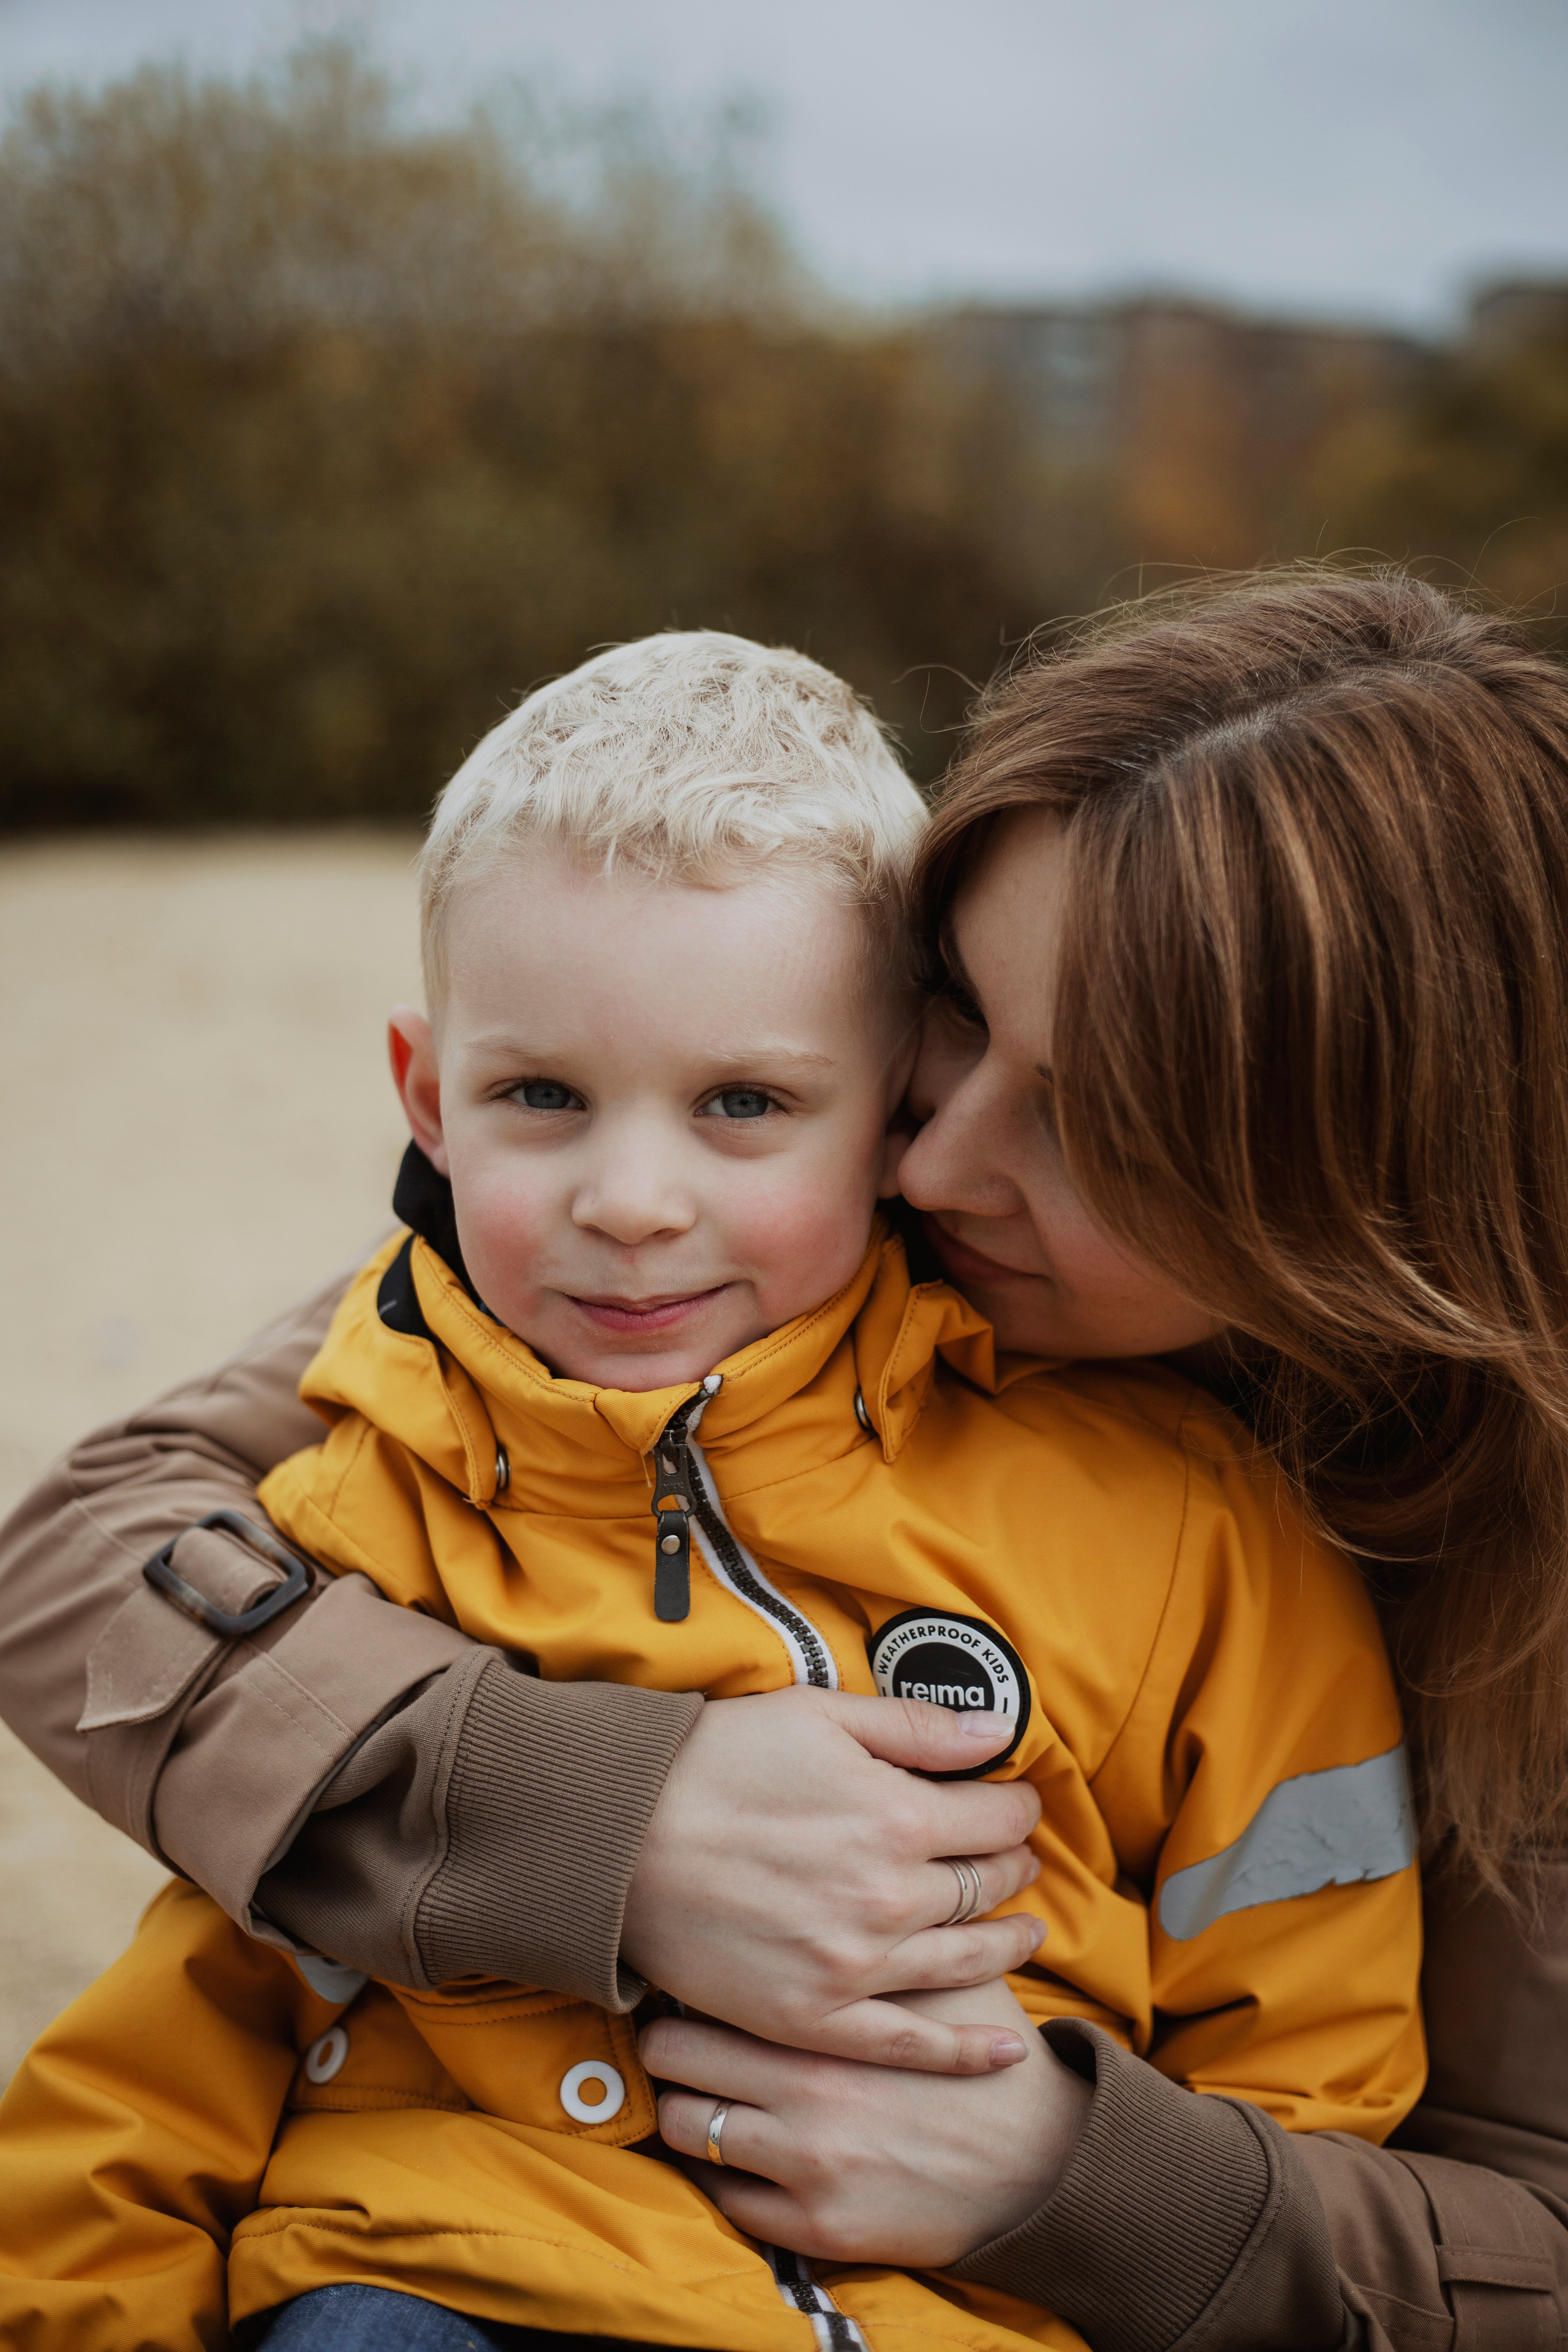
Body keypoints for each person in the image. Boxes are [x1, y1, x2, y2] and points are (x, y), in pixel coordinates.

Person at [4, 569, 1567, 2351]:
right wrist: (606, 1819)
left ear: (1372, 1195)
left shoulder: (1235, 1550)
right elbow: (90, 1549)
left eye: (1093, 1120)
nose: (927, 1164)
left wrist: (1061, 2172)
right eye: (960, 1023)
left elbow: (1472, 2199)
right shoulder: (612, 1330)